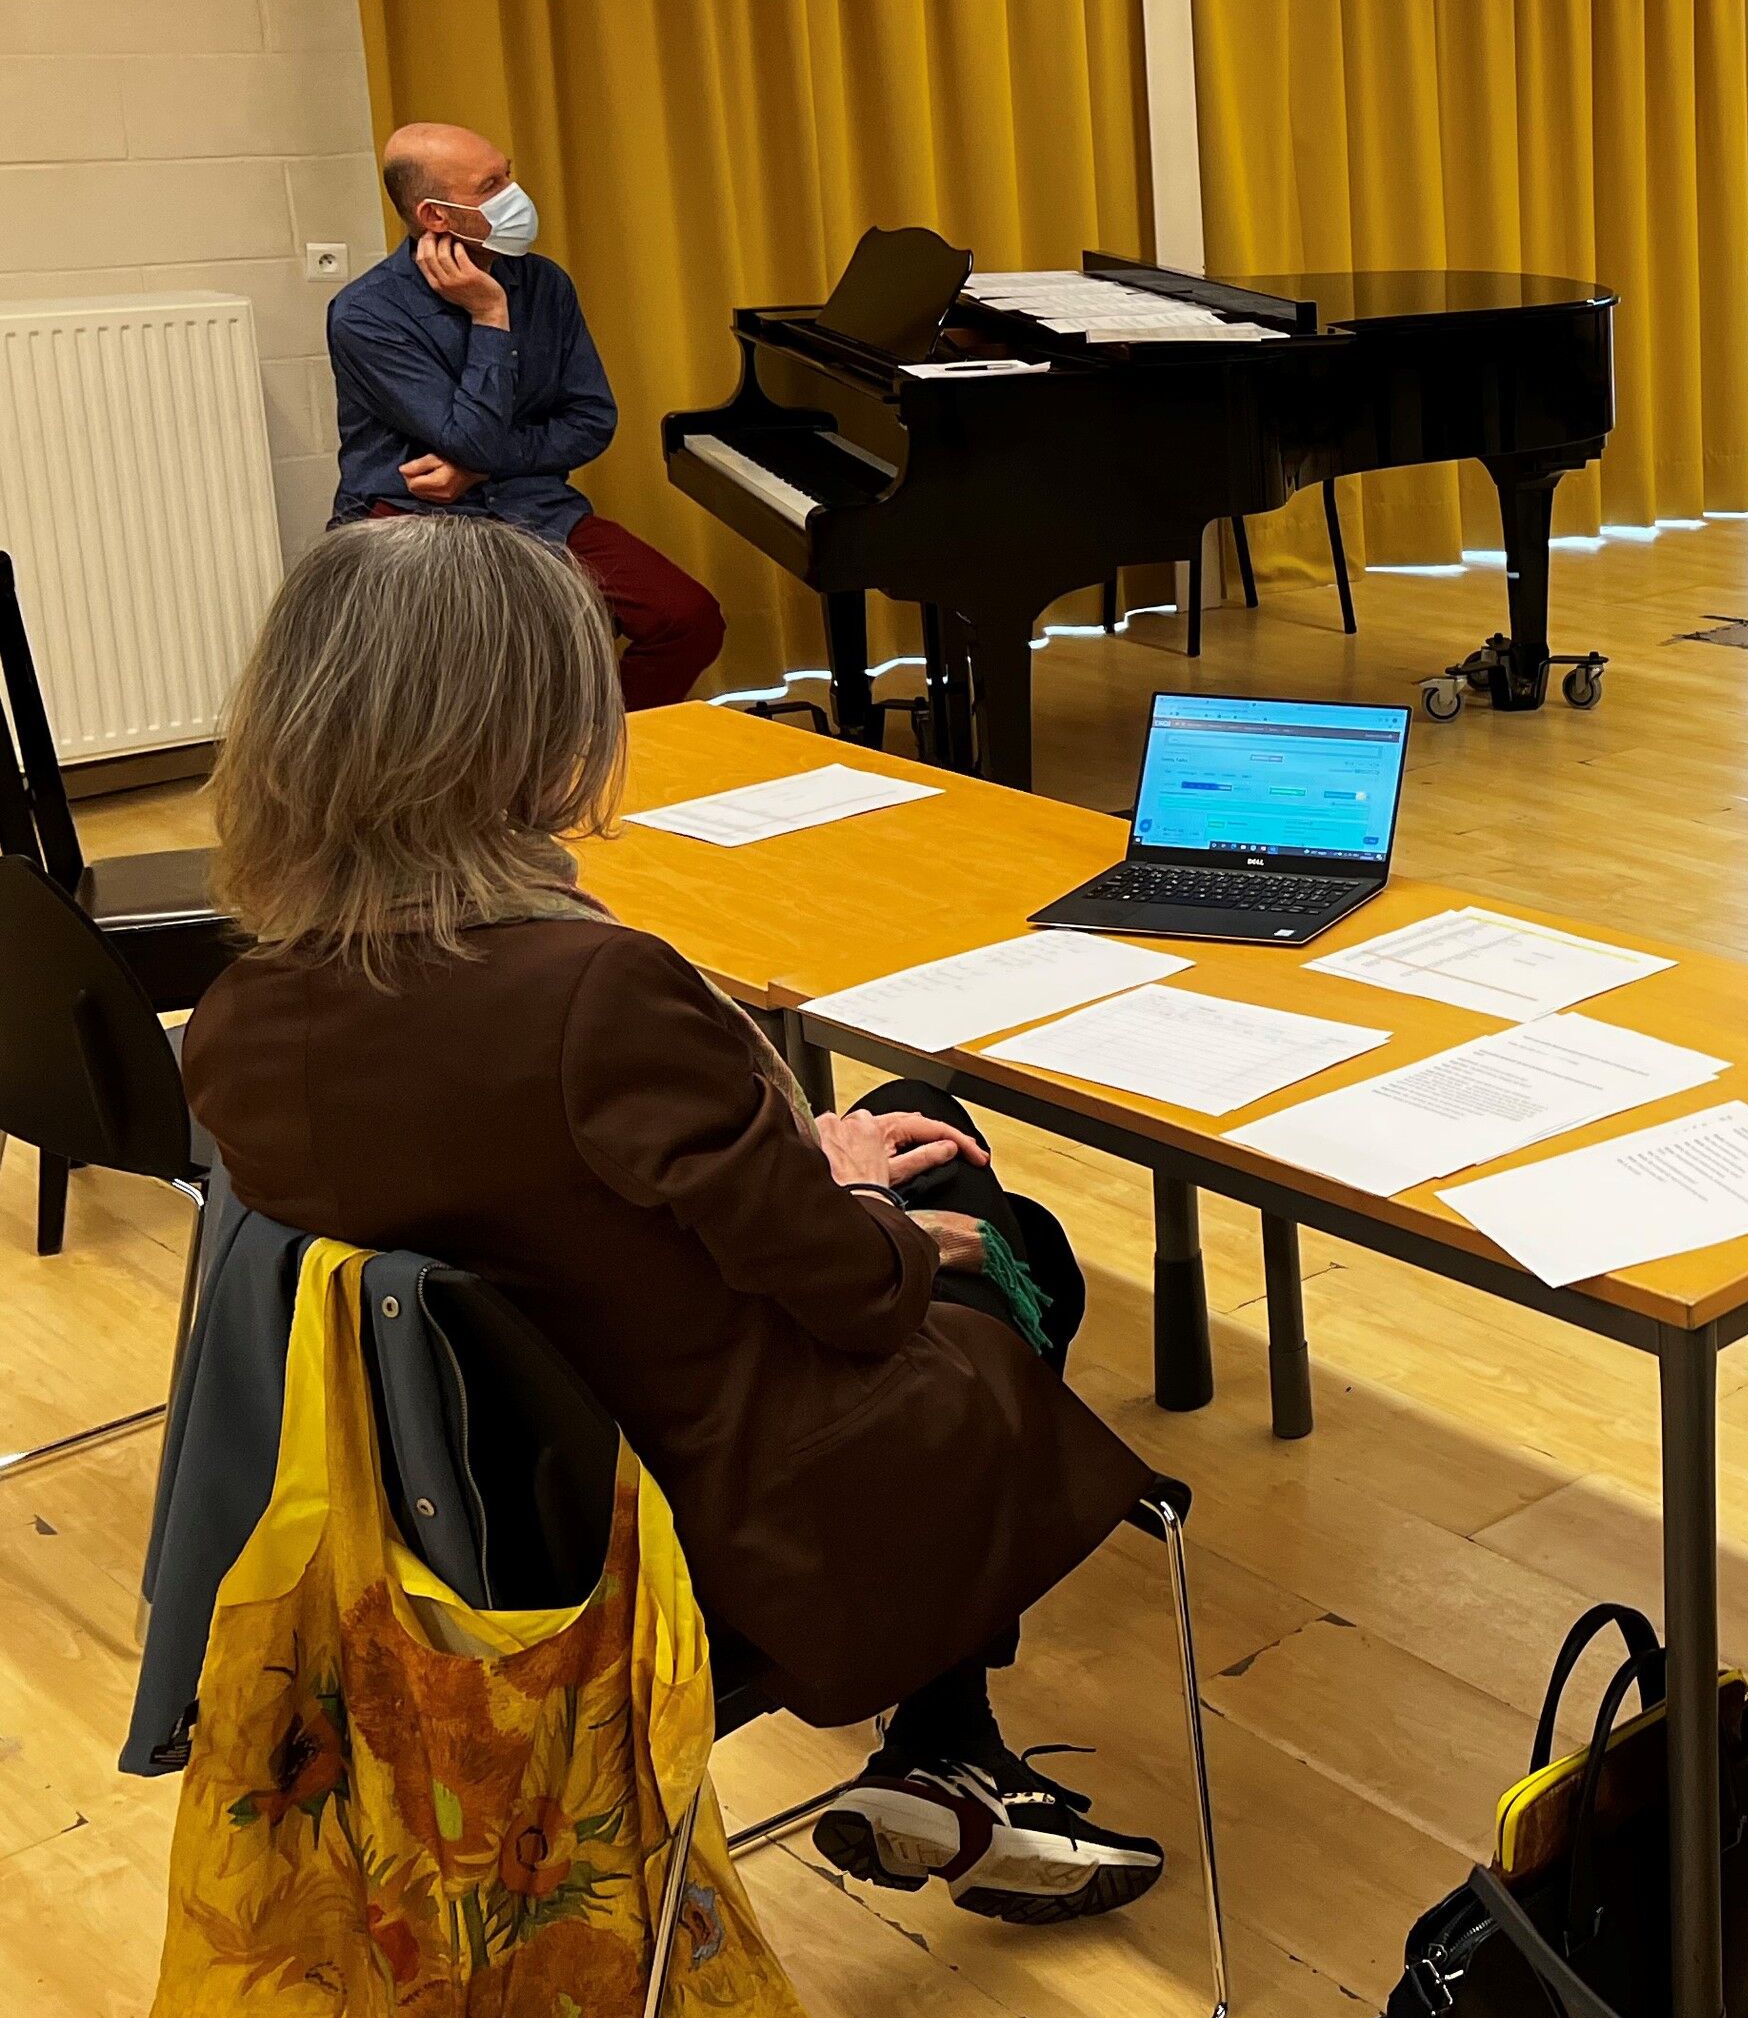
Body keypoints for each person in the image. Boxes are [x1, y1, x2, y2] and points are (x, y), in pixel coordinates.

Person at [184, 515, 1169, 1925]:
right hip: (711, 1509)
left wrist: (793, 1157)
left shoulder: (241, 1020)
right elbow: (847, 1294)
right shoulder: (593, 993)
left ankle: (950, 1750)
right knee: (1005, 1240)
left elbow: (538, 1190)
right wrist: (870, 1205)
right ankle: (948, 1740)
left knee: (898, 1124)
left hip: (473, 1504)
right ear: (535, 732)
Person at [328, 120, 726, 708]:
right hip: (413, 520)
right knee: (490, 667)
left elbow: (590, 420)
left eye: (507, 174)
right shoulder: (367, 314)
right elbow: (469, 437)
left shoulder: (544, 284)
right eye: (490, 185)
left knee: (687, 619)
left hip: (532, 507)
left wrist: (481, 469)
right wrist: (490, 315)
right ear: (435, 216)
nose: (514, 195)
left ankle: (603, 745)